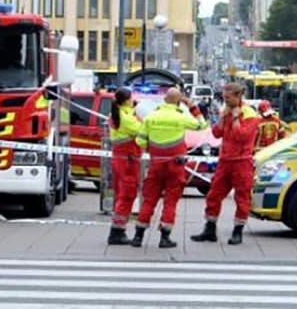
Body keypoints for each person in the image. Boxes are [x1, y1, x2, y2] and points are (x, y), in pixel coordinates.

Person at [130, 88, 208, 249]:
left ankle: (138, 236)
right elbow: (202, 125)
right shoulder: (181, 117)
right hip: (176, 165)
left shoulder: (151, 117)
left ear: (164, 100)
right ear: (179, 102)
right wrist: (193, 107)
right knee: (170, 201)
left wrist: (152, 148)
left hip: (156, 164)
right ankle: (165, 237)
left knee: (149, 200)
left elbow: (140, 141)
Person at [191, 82, 261, 245]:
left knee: (242, 198)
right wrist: (222, 118)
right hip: (225, 161)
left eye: (228, 98)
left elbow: (241, 136)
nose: (225, 101)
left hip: (242, 162)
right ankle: (210, 228)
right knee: (214, 195)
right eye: (224, 98)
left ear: (238, 96)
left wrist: (236, 118)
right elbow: (216, 134)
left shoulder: (250, 114)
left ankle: (238, 231)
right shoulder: (226, 111)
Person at [106, 88, 142, 245]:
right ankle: (117, 231)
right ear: (127, 100)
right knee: (127, 194)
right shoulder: (126, 118)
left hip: (122, 159)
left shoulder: (118, 114)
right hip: (128, 160)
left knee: (123, 193)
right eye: (131, 98)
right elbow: (142, 131)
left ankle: (119, 229)